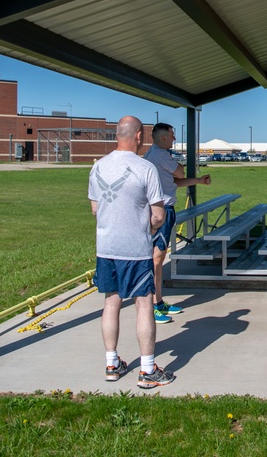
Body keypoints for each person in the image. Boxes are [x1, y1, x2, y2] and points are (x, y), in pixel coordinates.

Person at [88, 116, 175, 388]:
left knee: (111, 302)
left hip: (106, 249)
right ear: (139, 136)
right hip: (136, 251)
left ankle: (112, 363)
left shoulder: (98, 168)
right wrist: (144, 229)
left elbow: (95, 209)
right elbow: (158, 215)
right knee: (144, 303)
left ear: (117, 134)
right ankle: (147, 369)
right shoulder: (145, 168)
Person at [143, 122, 211, 322]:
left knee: (158, 257)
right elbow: (179, 172)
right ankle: (151, 307)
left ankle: (159, 301)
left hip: (165, 208)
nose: (174, 139)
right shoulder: (160, 155)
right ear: (163, 138)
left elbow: (175, 182)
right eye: (172, 136)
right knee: (156, 259)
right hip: (161, 210)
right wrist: (178, 165)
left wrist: (198, 181)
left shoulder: (156, 156)